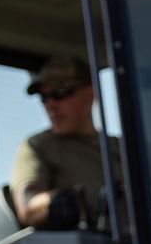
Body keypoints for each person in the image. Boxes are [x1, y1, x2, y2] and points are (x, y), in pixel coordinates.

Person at [10, 55, 122, 230]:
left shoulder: (122, 147)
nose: (50, 105)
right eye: (44, 97)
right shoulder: (39, 146)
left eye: (60, 93)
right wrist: (55, 202)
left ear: (92, 93)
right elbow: (29, 205)